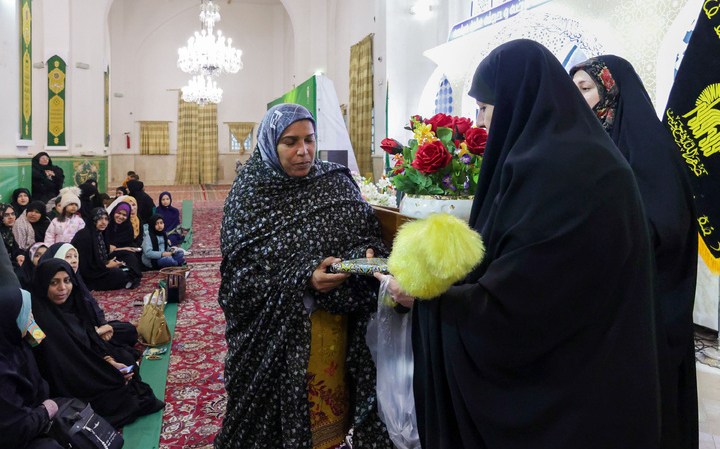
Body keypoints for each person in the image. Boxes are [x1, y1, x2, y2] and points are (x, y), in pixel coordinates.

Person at [383, 40, 660, 448]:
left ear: (516, 100)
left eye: (485, 108)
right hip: (590, 375)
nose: (479, 123)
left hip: (574, 395)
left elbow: (522, 305)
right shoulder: (562, 157)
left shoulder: (566, 173)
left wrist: (429, 299)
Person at [216, 103, 392, 449]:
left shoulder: (333, 182)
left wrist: (368, 253)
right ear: (270, 144)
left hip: (336, 330)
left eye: (310, 140)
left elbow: (364, 231)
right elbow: (238, 280)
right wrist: (304, 278)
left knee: (330, 417)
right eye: (290, 142)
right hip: (277, 337)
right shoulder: (250, 193)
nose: (303, 151)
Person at [570, 55, 698, 449]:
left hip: (648, 314)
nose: (577, 100)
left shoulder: (648, 149)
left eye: (585, 89)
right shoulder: (589, 147)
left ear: (612, 90)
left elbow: (668, 230)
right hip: (605, 311)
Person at [29, 258, 164, 429]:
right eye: (54, 283)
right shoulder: (41, 319)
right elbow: (62, 368)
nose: (62, 288)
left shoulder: (73, 305)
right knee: (126, 396)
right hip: (70, 383)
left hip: (88, 370)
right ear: (42, 284)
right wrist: (106, 374)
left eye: (67, 281)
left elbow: (89, 344)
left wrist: (109, 362)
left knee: (128, 367)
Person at [0, 243, 63, 449]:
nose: (32, 318)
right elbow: (14, 430)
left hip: (32, 414)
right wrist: (46, 411)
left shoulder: (15, 342)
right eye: (26, 314)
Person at [40, 241, 140, 357]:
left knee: (128, 331)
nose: (73, 260)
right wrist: (95, 334)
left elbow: (92, 306)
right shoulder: (49, 293)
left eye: (75, 256)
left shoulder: (76, 281)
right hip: (77, 342)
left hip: (91, 331)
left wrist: (102, 325)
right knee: (124, 356)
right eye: (68, 257)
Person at [72, 208, 140, 291]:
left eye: (106, 219)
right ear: (93, 220)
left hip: (101, 266)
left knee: (129, 257)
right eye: (100, 219)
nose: (104, 222)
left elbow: (104, 255)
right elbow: (86, 266)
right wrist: (107, 266)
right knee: (119, 275)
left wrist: (111, 262)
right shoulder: (84, 236)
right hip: (91, 274)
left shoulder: (101, 233)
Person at [105, 202, 144, 276]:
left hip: (122, 253)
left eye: (124, 215)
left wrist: (118, 249)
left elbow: (128, 243)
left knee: (132, 258)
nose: (120, 217)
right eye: (119, 213)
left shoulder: (128, 227)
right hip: (107, 254)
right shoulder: (106, 225)